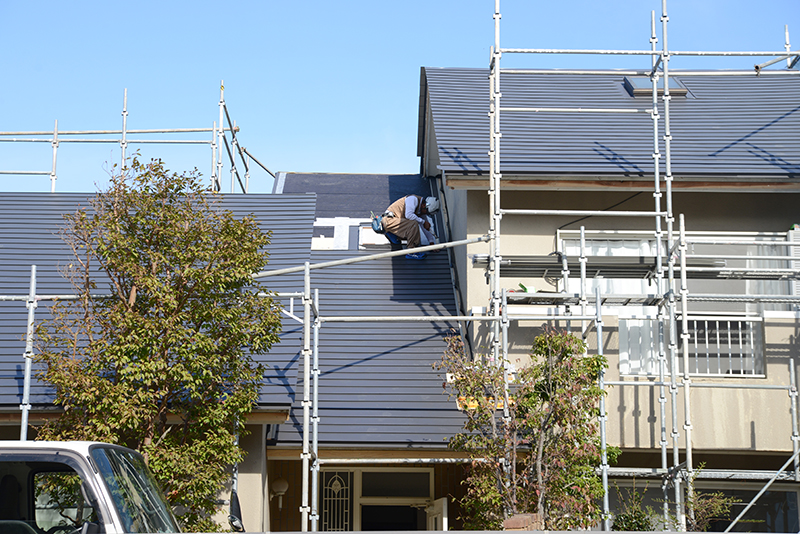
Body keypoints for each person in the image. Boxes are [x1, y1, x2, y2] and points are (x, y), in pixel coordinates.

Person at [381, 195, 440, 259]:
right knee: (413, 224)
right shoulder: (413, 199)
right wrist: (423, 222)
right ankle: (411, 252)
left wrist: (431, 243)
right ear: (424, 206)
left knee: (415, 235)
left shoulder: (420, 211)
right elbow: (409, 215)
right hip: (389, 221)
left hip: (394, 224)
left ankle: (392, 234)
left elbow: (425, 227)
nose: (426, 214)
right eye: (427, 212)